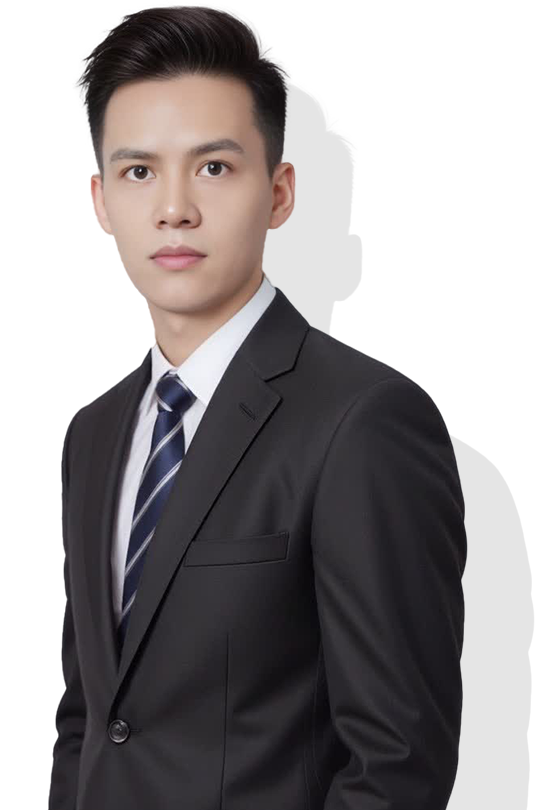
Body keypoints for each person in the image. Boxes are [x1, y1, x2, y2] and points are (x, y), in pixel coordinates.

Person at [49, 5, 467, 809]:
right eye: (139, 172)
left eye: (213, 167)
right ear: (99, 201)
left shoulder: (366, 419)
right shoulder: (93, 431)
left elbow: (398, 763)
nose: (174, 208)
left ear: (279, 193)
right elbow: (89, 717)